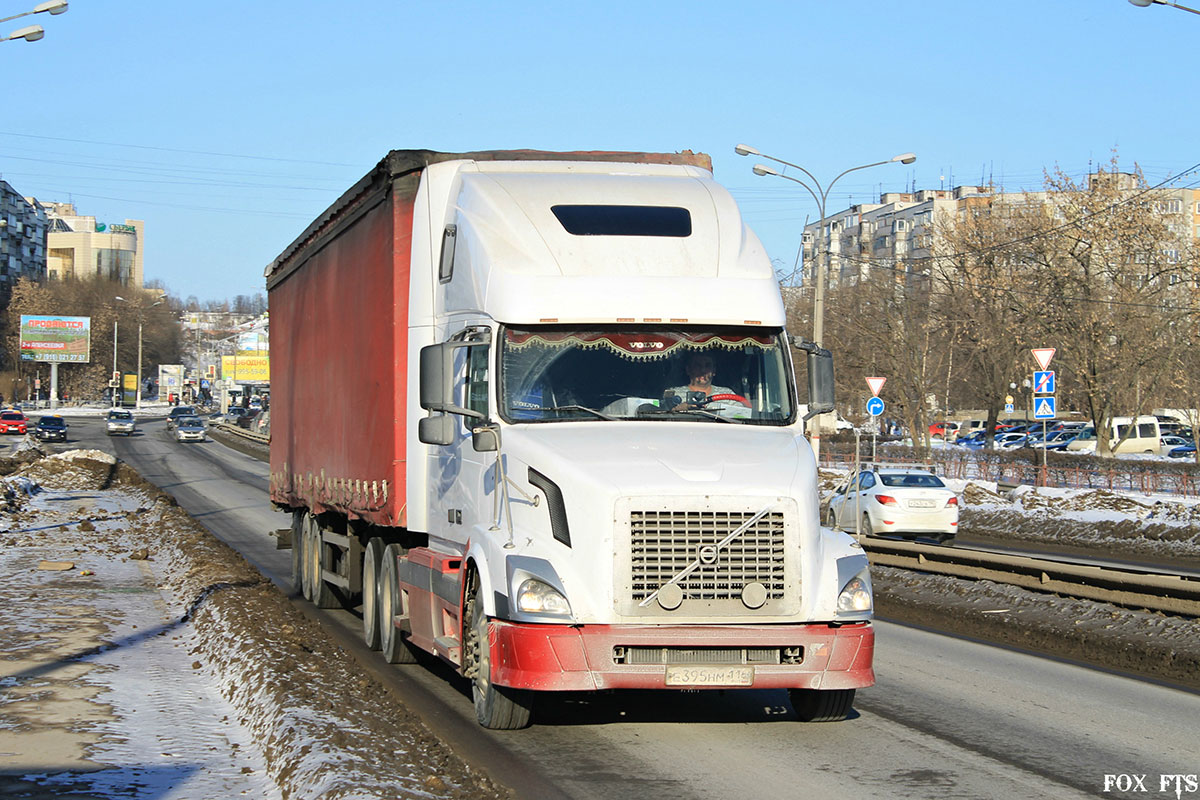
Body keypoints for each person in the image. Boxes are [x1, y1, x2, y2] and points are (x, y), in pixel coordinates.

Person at [663, 352, 734, 410]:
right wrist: (680, 409)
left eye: (707, 366)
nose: (703, 370)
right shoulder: (673, 394)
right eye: (698, 365)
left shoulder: (728, 395)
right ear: (688, 370)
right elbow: (663, 416)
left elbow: (741, 416)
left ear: (714, 371)